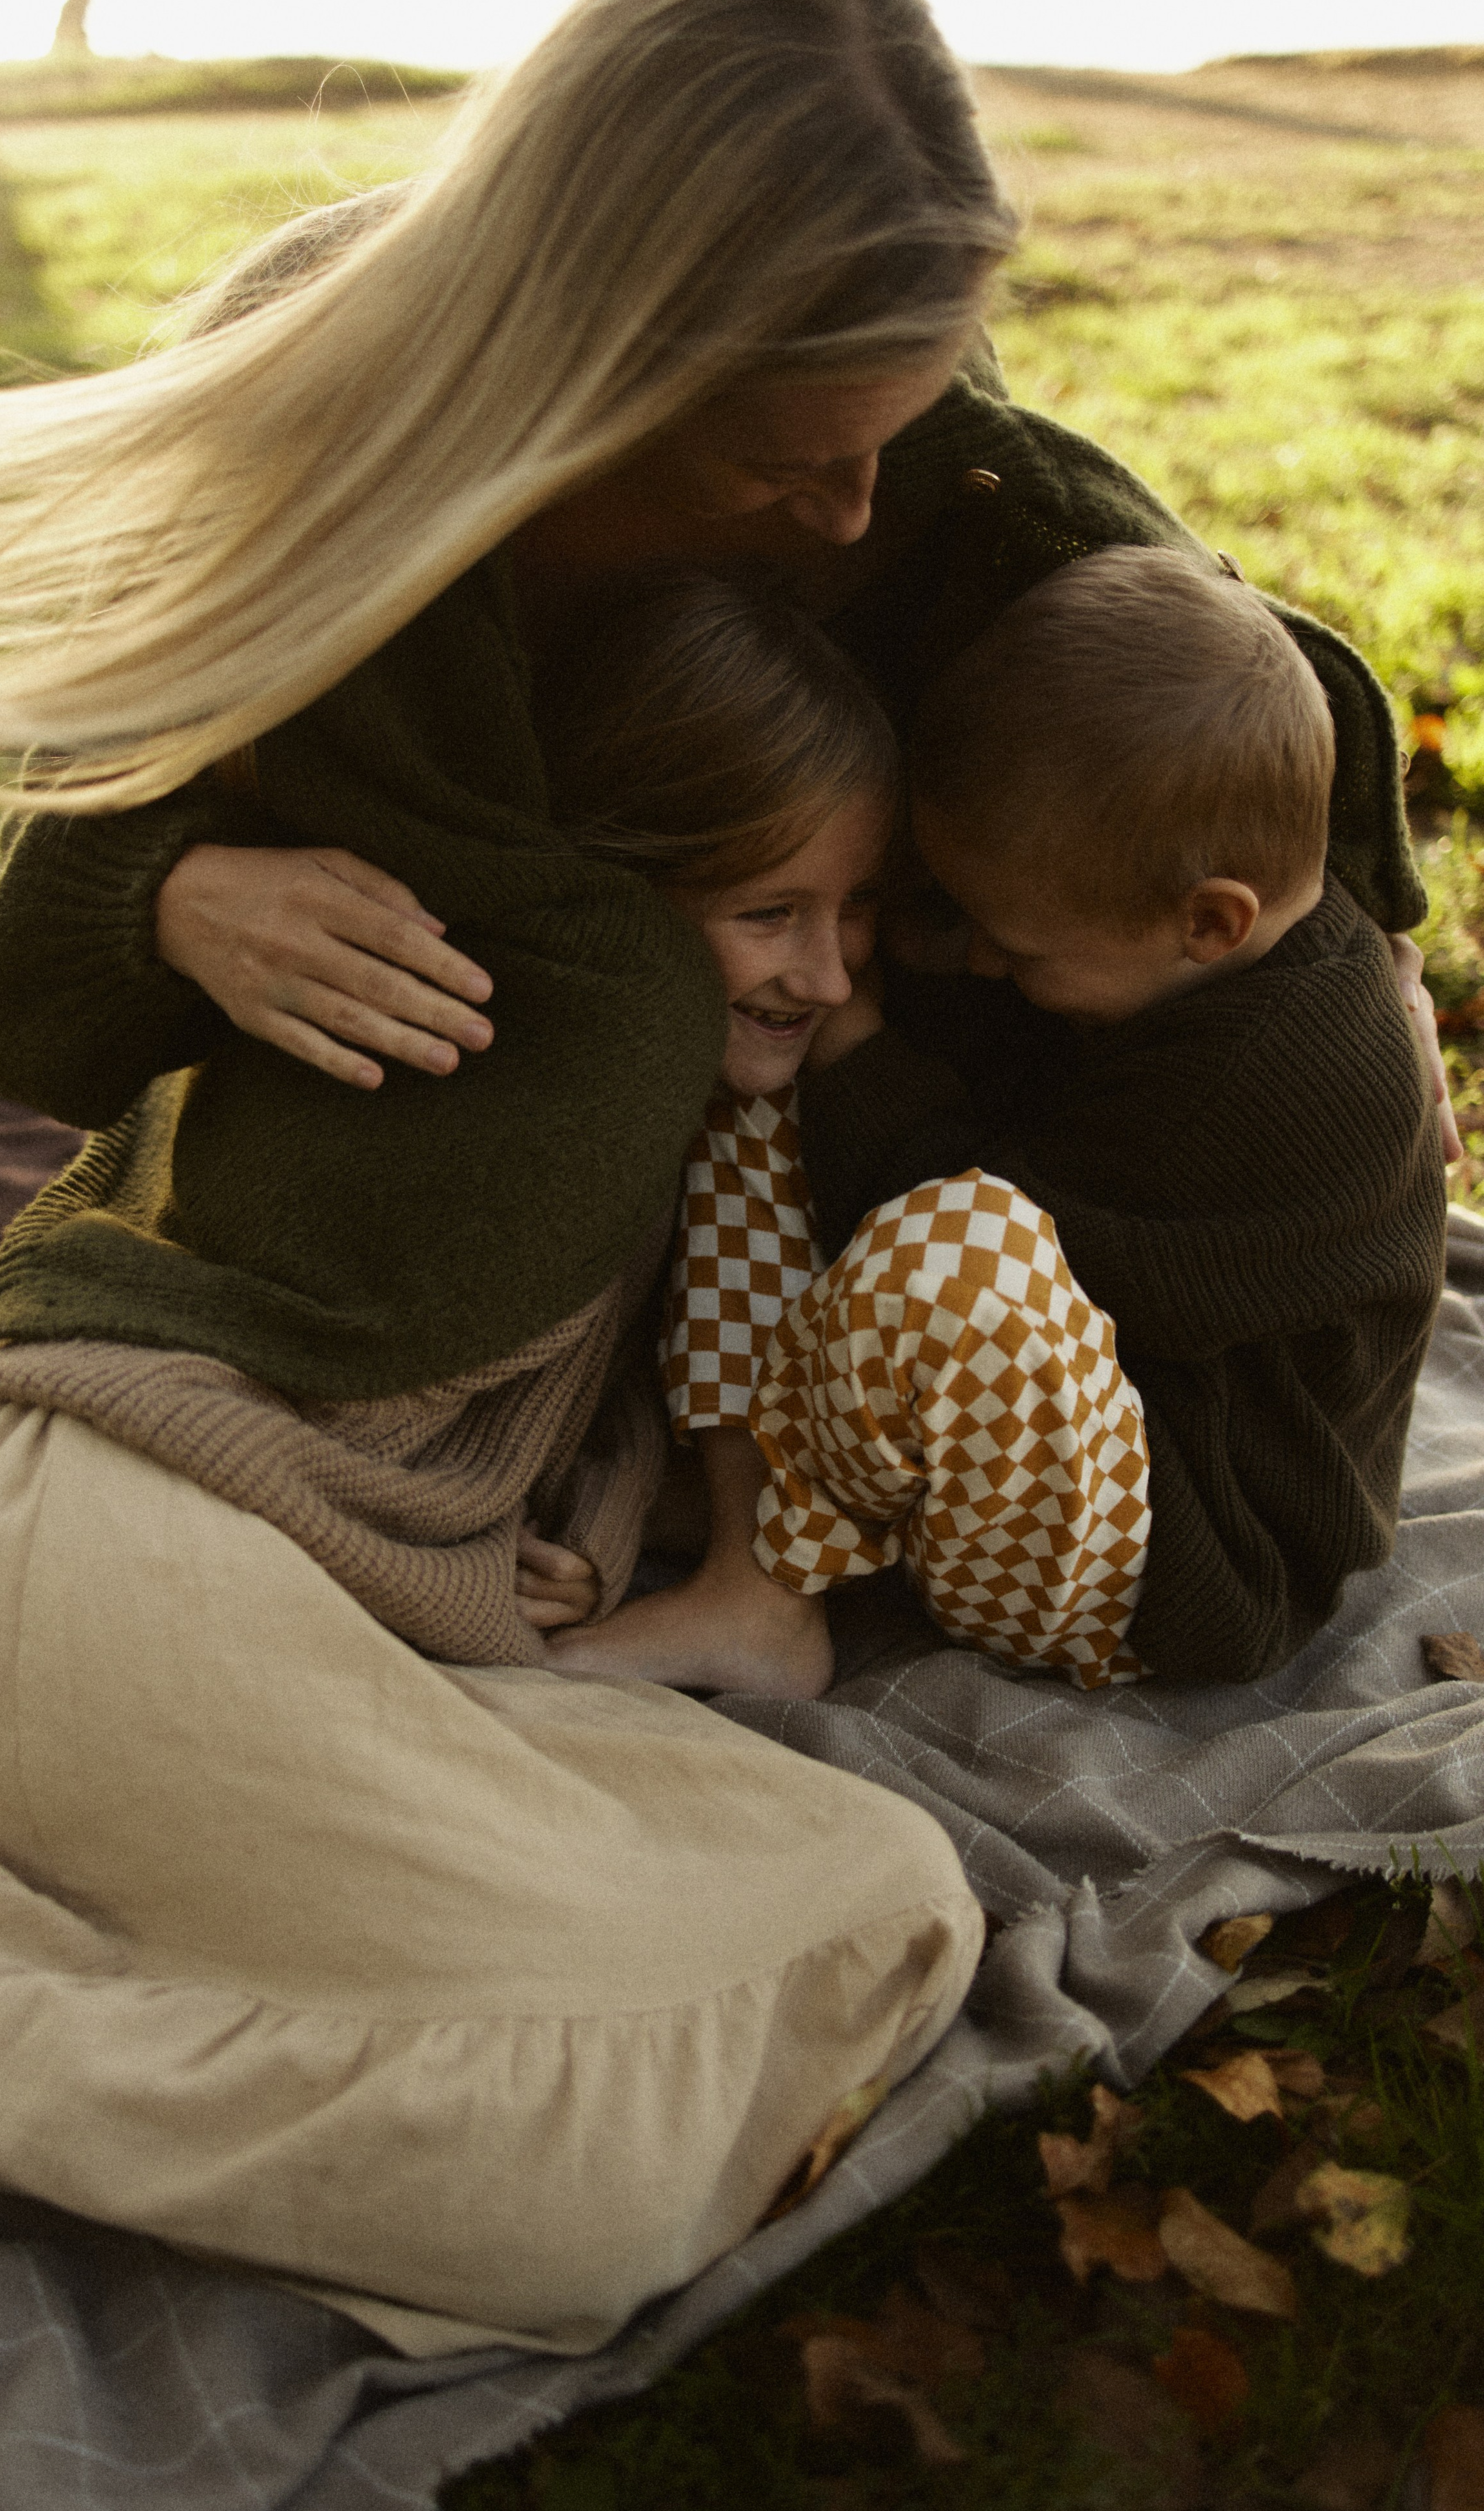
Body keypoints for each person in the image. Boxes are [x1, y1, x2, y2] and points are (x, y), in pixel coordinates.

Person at [0, 0, 1012, 2342]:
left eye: (887, 448)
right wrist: (181, 883)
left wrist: (1325, 874)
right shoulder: (323, 416)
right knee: (588, 2177)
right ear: (610, 360)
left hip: (324, 1574)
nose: (852, 521)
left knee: (871, 1910)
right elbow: (44, 955)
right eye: (783, 457)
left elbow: (1104, 578)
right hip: (124, 1496)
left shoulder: (857, 477)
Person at [554, 546, 1445, 1701]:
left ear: (1210, 923)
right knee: (770, 1086)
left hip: (1162, 1559)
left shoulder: (1271, 1083)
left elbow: (1000, 1242)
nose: (978, 960)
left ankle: (774, 1589)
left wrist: (868, 1054)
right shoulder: (1171, 955)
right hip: (1022, 1444)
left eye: (1015, 948)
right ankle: (747, 1525)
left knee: (958, 1245)